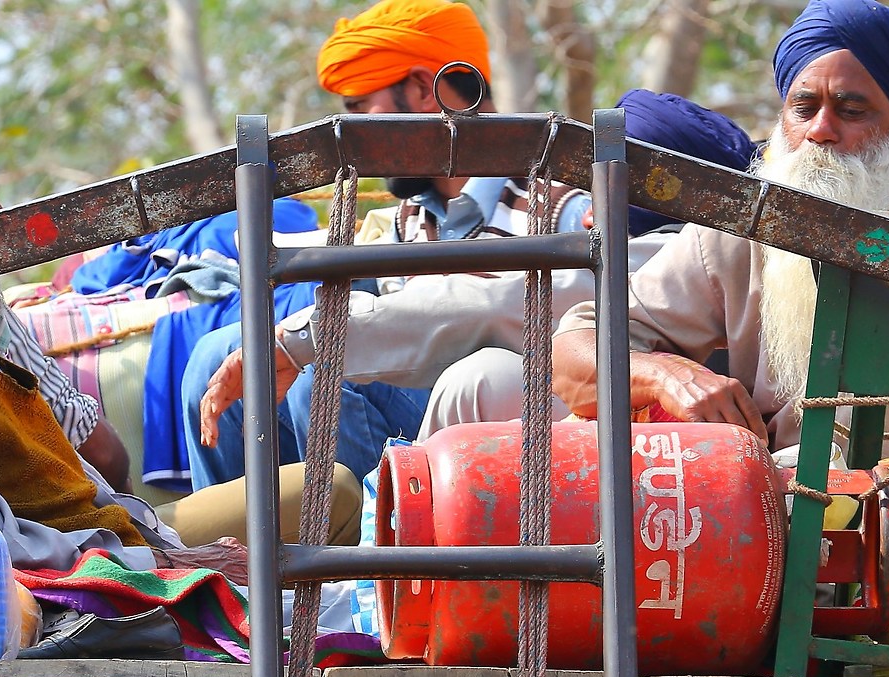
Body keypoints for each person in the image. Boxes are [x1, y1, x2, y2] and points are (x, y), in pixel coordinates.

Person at [0, 113, 360, 580]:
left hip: (123, 533)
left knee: (327, 488)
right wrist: (159, 563)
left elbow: (101, 466)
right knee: (327, 507)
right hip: (96, 574)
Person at [181, 0, 588, 490]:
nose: (352, 135)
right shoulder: (409, 218)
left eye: (358, 110)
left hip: (510, 439)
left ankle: (364, 556)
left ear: (421, 88)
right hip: (420, 409)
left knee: (327, 371)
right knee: (218, 351)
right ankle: (237, 558)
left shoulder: (560, 210)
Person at [552, 0, 889, 446]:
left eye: (851, 111)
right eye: (804, 108)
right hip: (770, 499)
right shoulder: (742, 231)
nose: (820, 130)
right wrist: (666, 375)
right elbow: (574, 352)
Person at [412, 90, 763, 435]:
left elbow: (491, 306)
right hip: (591, 411)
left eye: (621, 196)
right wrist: (660, 375)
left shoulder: (695, 249)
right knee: (480, 376)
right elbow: (573, 350)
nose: (588, 218)